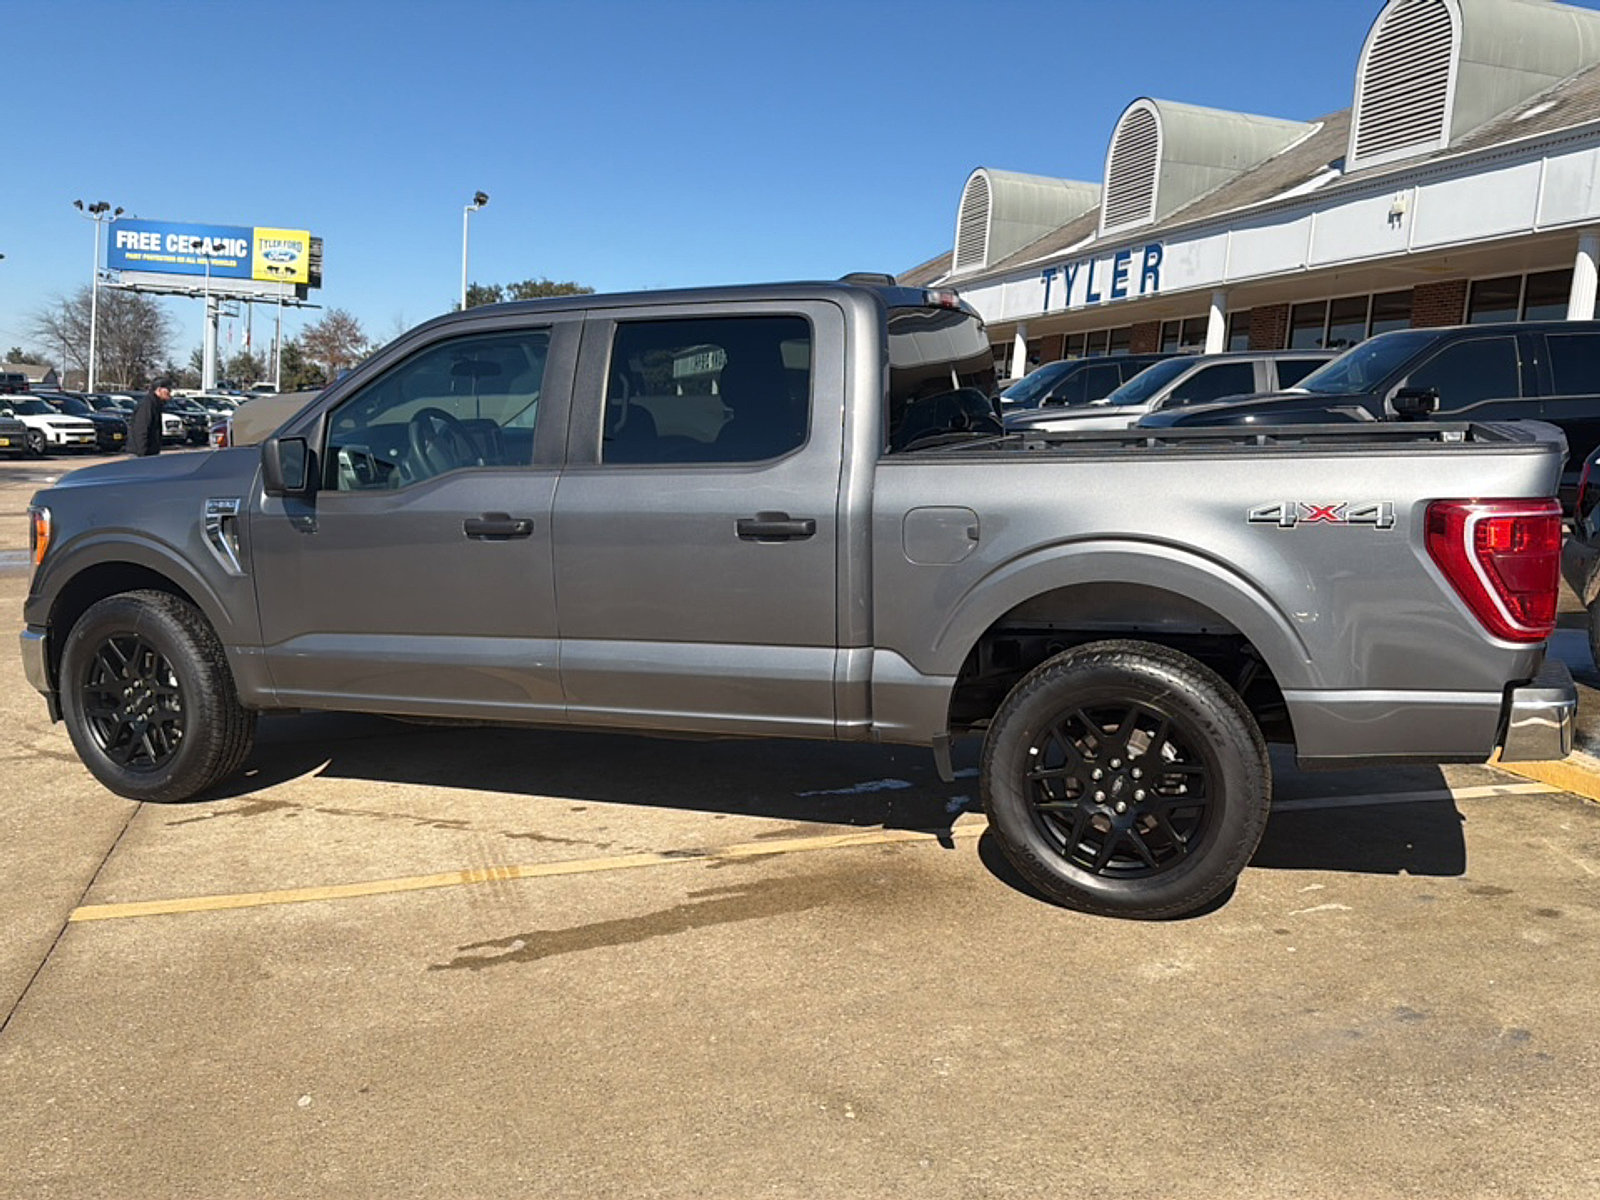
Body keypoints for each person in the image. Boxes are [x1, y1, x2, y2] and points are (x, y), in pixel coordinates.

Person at [127, 376, 172, 456]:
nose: (170, 392)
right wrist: (143, 454)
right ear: (159, 390)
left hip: (150, 453)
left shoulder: (156, 404)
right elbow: (141, 430)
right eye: (168, 389)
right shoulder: (147, 405)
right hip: (140, 454)